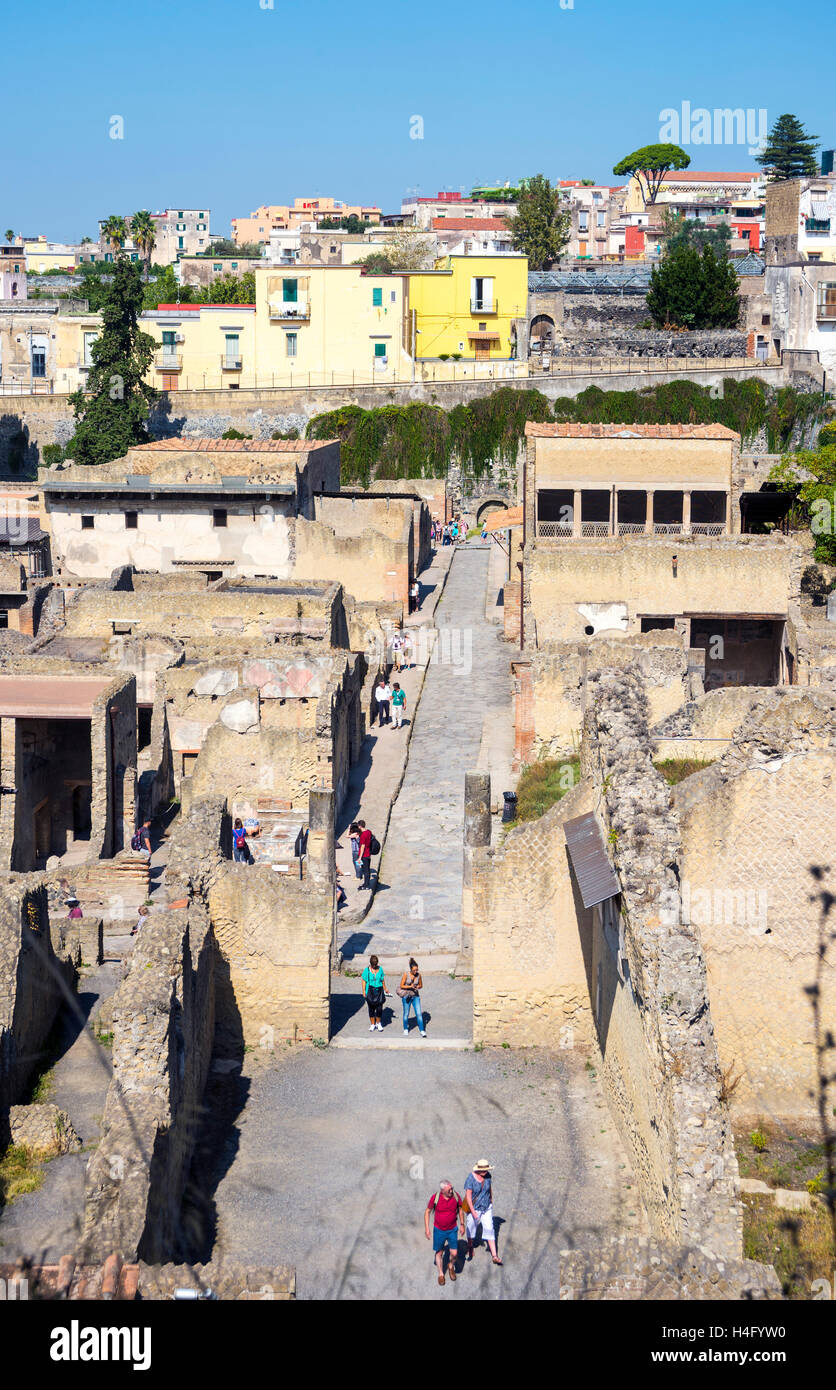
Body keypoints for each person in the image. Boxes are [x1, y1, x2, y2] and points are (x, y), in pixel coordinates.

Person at [425, 1181, 465, 1285]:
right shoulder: (435, 1198)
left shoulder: (455, 1196)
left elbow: (461, 1209)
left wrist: (462, 1224)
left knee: (454, 1253)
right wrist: (427, 1229)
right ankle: (441, 1274)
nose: (451, 1191)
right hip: (439, 1230)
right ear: (442, 1191)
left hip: (452, 1229)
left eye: (452, 1188)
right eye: (449, 1190)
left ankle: (450, 1265)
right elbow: (427, 1211)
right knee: (439, 1253)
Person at [464, 1160, 502, 1266]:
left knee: (490, 1228)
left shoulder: (488, 1176)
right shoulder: (470, 1178)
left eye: (486, 1169)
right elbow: (468, 1196)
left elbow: (489, 1188)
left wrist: (491, 1199)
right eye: (483, 1170)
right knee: (471, 1228)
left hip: (486, 1207)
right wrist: (473, 1212)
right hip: (474, 1208)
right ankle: (470, 1246)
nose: (485, 1171)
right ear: (478, 1169)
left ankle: (494, 1255)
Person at [399, 958, 425, 1036]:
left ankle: (422, 1030)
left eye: (417, 970)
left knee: (419, 1014)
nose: (416, 971)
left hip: (415, 996)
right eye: (414, 970)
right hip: (407, 996)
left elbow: (421, 985)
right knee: (406, 1013)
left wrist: (418, 987)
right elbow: (401, 985)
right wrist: (410, 986)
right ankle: (406, 1029)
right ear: (410, 969)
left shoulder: (419, 975)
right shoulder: (406, 974)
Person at [361, 953, 387, 1031]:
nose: (374, 967)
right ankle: (372, 1024)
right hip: (370, 991)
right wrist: (363, 991)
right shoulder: (367, 970)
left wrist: (385, 988)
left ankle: (378, 1023)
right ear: (371, 964)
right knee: (371, 1008)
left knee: (379, 1008)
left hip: (379, 990)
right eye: (373, 965)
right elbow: (364, 981)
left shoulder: (380, 969)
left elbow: (382, 979)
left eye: (375, 965)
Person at [357, 820, 373, 889]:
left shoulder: (363, 835)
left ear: (360, 826)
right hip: (368, 853)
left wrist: (360, 857)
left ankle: (366, 885)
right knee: (367, 870)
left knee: (365, 870)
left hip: (364, 855)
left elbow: (362, 846)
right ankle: (366, 883)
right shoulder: (369, 832)